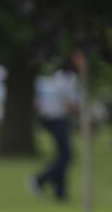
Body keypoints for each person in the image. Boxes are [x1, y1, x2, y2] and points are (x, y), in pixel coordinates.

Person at [31, 58, 81, 202]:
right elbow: (69, 103)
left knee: (62, 155)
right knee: (66, 155)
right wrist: (83, 114)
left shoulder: (58, 75)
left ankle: (60, 192)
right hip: (56, 119)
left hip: (50, 118)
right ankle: (40, 179)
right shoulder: (69, 79)